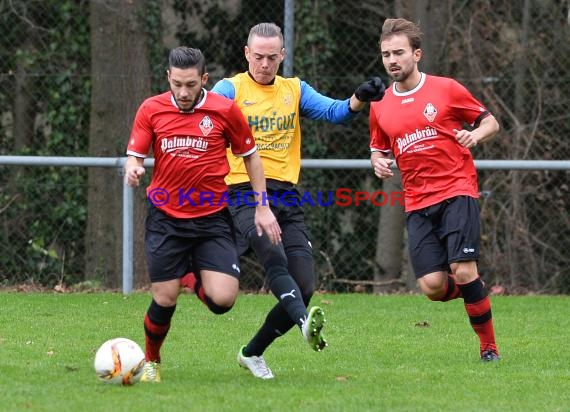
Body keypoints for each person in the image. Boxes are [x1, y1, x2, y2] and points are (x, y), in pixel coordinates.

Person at [181, 22, 385, 379]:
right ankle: (305, 325)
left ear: (282, 55)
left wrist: (359, 97)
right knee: (273, 255)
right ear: (247, 54)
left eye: (272, 57)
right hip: (243, 192)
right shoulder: (230, 89)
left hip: (287, 196)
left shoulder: (294, 90)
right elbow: (201, 123)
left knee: (304, 286)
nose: (264, 64)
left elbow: (335, 112)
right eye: (258, 57)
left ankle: (252, 352)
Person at [124, 46, 281, 382]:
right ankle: (152, 361)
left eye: (191, 84)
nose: (183, 92)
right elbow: (135, 155)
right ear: (168, 77)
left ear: (204, 80)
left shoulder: (224, 110)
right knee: (164, 299)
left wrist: (262, 206)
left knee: (223, 301)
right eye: (177, 84)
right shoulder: (150, 109)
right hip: (166, 218)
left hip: (212, 219)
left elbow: (252, 157)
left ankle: (189, 274)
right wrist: (133, 169)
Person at [369, 18, 501, 361]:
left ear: (417, 54)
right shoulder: (380, 104)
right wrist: (378, 161)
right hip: (416, 201)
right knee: (432, 287)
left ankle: (488, 347)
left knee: (463, 269)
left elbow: (490, 122)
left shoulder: (446, 89)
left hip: (457, 189)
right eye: (386, 54)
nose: (392, 60)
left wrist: (474, 135)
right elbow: (378, 146)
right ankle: (475, 291)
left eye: (399, 52)